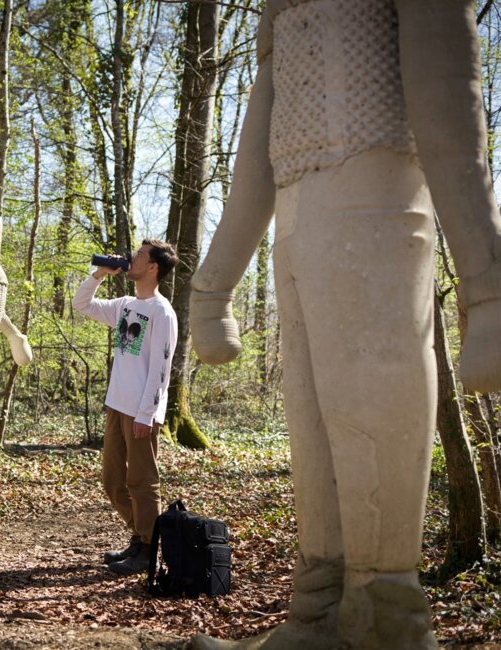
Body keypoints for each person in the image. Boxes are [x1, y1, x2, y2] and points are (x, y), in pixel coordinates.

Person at [188, 1, 501, 648]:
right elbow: (256, 149)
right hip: (297, 231)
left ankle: (387, 620)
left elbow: (449, 105)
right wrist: (211, 287)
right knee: (311, 427)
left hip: (378, 212)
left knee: (371, 418)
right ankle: (318, 615)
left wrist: (487, 286)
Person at [73, 239, 179, 576]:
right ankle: (144, 535)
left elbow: (161, 370)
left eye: (139, 255)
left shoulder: (162, 312)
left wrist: (146, 414)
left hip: (141, 410)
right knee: (112, 479)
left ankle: (148, 549)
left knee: (142, 481)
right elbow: (82, 303)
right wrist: (99, 274)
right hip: (117, 405)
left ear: (153, 267)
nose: (131, 258)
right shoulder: (126, 304)